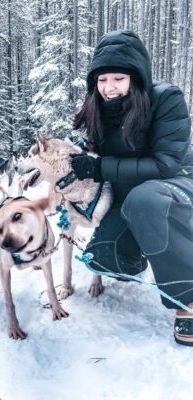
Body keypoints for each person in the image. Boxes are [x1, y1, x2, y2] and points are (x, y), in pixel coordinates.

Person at [70, 29, 193, 346]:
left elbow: (166, 163)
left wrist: (100, 167)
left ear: (135, 77)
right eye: (101, 80)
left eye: (117, 79)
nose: (108, 88)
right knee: (100, 258)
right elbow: (102, 161)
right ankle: (145, 249)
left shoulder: (166, 99)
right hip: (133, 193)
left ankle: (188, 302)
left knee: (145, 202)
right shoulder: (98, 110)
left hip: (176, 182)